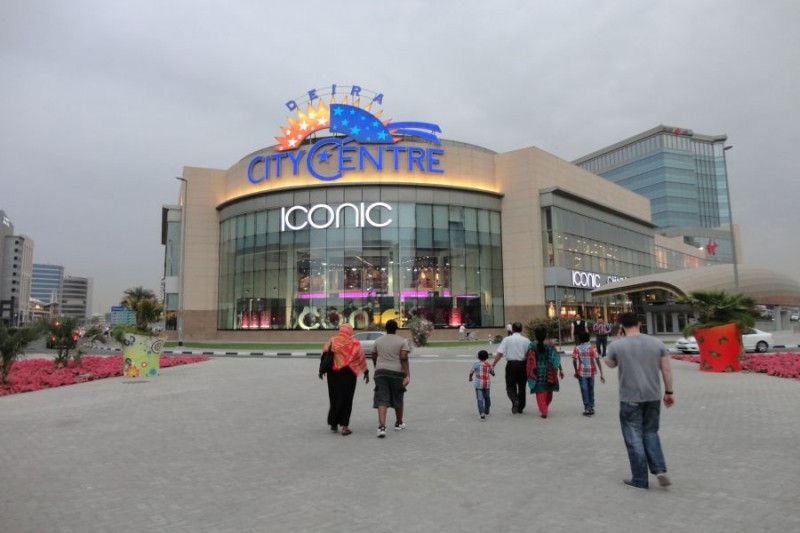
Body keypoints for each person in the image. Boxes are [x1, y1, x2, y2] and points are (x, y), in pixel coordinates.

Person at [605, 312, 674, 489]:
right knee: (651, 432)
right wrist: (669, 392)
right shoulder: (657, 343)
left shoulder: (617, 345)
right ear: (639, 323)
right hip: (653, 396)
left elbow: (610, 364)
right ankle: (659, 469)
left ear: (621, 327)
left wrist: (617, 341)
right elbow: (666, 370)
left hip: (630, 398)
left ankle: (640, 479)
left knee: (633, 438)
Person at [319, 323, 369, 436]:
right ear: (350, 331)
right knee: (347, 399)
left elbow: (325, 356)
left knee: (334, 398)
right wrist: (366, 372)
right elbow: (361, 358)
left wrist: (321, 371)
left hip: (333, 374)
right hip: (349, 374)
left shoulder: (332, 340)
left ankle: (334, 424)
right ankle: (345, 427)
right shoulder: (355, 343)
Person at [372, 319, 411, 438]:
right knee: (398, 397)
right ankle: (398, 423)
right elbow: (403, 358)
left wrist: (377, 367)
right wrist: (407, 374)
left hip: (380, 372)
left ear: (386, 329)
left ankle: (382, 427)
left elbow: (374, 355)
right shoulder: (402, 341)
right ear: (396, 329)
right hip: (397, 372)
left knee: (382, 399)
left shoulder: (378, 341)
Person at [491, 322, 530, 414]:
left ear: (512, 329)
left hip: (511, 365)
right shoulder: (526, 340)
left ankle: (514, 400)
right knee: (522, 387)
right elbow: (530, 354)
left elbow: (500, 353)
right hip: (523, 365)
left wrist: (493, 365)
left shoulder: (507, 339)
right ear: (521, 329)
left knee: (510, 386)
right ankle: (520, 407)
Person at [526, 325, 565, 418]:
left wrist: (528, 372)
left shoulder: (532, 345)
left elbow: (529, 360)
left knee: (540, 391)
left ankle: (544, 410)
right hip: (549, 371)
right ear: (545, 334)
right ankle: (545, 407)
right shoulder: (550, 345)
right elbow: (556, 359)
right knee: (549, 390)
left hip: (537, 372)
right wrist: (561, 369)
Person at [572, 331, 604, 416]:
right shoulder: (593, 348)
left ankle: (587, 408)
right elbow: (597, 360)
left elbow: (574, 361)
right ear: (588, 339)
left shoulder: (577, 348)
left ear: (579, 339)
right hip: (591, 371)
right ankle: (591, 406)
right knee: (591, 389)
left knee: (584, 390)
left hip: (581, 372)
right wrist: (601, 373)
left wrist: (576, 370)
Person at [469, 349, 495, 420]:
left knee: (480, 399)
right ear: (487, 357)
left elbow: (471, 372)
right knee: (487, 398)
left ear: (478, 357)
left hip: (478, 385)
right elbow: (493, 373)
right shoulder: (489, 365)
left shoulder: (476, 364)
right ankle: (487, 411)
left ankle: (482, 413)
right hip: (486, 384)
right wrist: (491, 371)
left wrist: (470, 378)